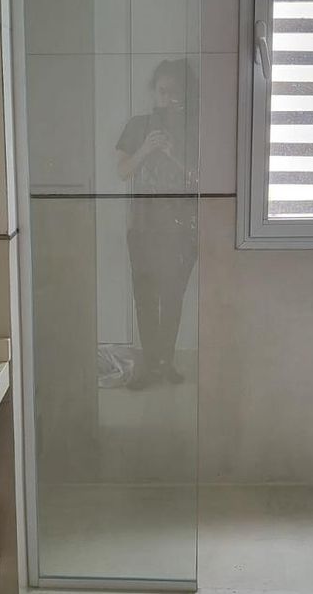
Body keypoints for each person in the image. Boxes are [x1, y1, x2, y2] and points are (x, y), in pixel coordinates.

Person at [115, 59, 199, 388]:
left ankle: (166, 362)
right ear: (153, 91)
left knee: (173, 296)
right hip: (143, 225)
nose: (167, 99)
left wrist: (172, 153)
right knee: (145, 297)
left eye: (175, 93)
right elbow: (122, 172)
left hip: (182, 226)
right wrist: (146, 149)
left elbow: (200, 178)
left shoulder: (193, 129)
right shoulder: (138, 126)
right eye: (162, 91)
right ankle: (151, 365)